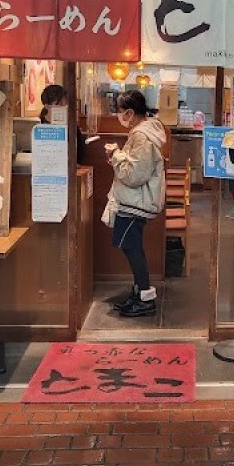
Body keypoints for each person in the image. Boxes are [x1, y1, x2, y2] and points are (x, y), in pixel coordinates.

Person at [102, 90, 166, 318]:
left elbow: (135, 175)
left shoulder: (141, 137)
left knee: (132, 249)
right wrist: (118, 157)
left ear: (130, 112)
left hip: (134, 203)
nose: (118, 115)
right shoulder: (144, 133)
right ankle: (140, 293)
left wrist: (116, 155)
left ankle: (145, 298)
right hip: (134, 201)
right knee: (132, 248)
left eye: (120, 111)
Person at [39, 84, 87, 164]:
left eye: (65, 104)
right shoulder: (38, 126)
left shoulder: (72, 126)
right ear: (47, 106)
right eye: (59, 104)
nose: (64, 107)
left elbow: (79, 153)